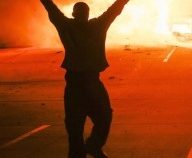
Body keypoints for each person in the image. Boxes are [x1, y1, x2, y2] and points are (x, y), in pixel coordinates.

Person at [40, 0, 129, 157]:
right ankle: (94, 145)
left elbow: (51, 7)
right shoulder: (97, 26)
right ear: (87, 15)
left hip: (76, 83)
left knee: (76, 129)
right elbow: (115, 9)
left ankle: (89, 148)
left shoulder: (66, 25)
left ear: (74, 14)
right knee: (103, 116)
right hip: (91, 81)